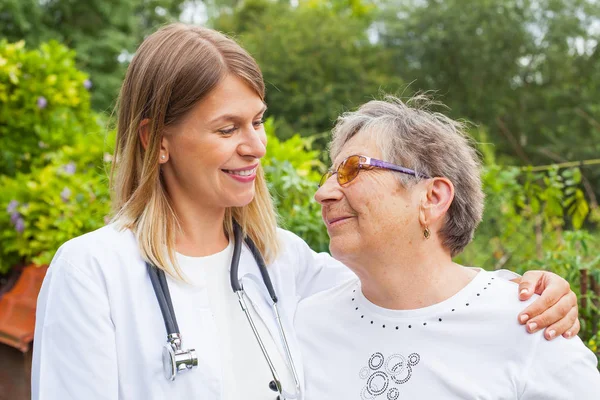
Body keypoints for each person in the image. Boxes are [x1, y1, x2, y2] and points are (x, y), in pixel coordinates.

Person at [31, 24, 579, 400]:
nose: (256, 146)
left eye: (258, 121)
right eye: (228, 129)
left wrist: (526, 293)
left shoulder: (285, 265)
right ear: (158, 140)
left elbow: (416, 286)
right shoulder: (94, 272)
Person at [296, 95, 600, 399]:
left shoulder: (529, 324)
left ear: (432, 198)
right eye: (330, 175)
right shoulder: (306, 325)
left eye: (352, 169)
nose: (323, 193)